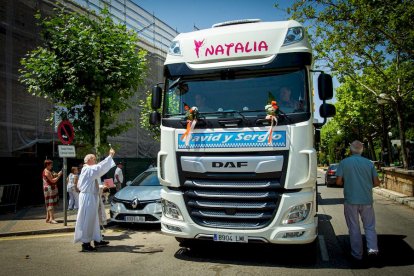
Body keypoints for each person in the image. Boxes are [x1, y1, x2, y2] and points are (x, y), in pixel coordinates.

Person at [336, 140, 380, 263]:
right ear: (362, 150)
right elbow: (376, 182)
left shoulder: (344, 163)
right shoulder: (369, 163)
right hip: (366, 200)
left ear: (350, 150)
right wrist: (365, 185)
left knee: (354, 228)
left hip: (351, 200)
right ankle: (372, 249)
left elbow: (338, 182)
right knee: (370, 226)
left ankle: (357, 254)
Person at [74, 148, 115, 252]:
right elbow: (100, 167)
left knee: (94, 220)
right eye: (94, 159)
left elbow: (88, 185)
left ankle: (97, 239)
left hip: (91, 196)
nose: (95, 161)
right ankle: (86, 243)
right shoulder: (87, 169)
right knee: (88, 219)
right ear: (88, 160)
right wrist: (110, 156)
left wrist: (102, 187)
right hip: (88, 197)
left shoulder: (87, 171)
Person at [42, 160, 62, 224]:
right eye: (51, 165)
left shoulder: (49, 171)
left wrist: (59, 173)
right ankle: (52, 219)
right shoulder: (47, 172)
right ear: (47, 165)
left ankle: (48, 218)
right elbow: (53, 181)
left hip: (51, 189)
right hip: (49, 189)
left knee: (49, 203)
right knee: (50, 204)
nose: (52, 166)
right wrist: (59, 176)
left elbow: (55, 175)